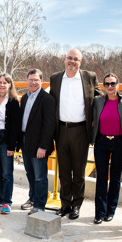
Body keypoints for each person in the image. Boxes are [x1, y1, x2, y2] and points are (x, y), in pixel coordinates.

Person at [50, 49, 102, 219]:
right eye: (70, 58)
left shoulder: (89, 77)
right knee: (64, 170)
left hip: (81, 130)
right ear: (64, 59)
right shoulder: (56, 78)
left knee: (79, 171)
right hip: (61, 130)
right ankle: (65, 203)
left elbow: (101, 98)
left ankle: (76, 205)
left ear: (81, 62)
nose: (72, 62)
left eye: (76, 59)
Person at [91, 73, 122, 224]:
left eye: (113, 83)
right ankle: (99, 212)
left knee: (115, 177)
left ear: (118, 84)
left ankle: (110, 211)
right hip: (102, 141)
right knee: (101, 177)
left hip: (120, 142)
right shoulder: (98, 101)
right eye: (106, 84)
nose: (110, 87)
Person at [19, 69, 56, 215]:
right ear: (27, 80)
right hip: (25, 140)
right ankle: (32, 198)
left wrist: (43, 146)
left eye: (36, 80)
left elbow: (49, 125)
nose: (33, 82)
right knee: (30, 172)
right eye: (31, 79)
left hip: (39, 143)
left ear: (42, 81)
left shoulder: (47, 99)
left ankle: (40, 204)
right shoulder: (25, 98)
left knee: (40, 176)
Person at [0, 73, 21, 214]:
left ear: (9, 85)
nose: (2, 85)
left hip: (6, 138)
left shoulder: (13, 101)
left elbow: (15, 125)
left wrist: (12, 146)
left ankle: (7, 201)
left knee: (7, 173)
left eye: (5, 83)